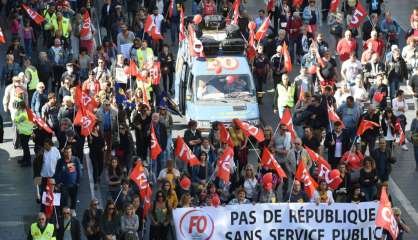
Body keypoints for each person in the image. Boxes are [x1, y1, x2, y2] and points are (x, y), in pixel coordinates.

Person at [54, 146, 82, 216]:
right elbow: (56, 173)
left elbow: (79, 171)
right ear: (64, 153)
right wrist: (57, 183)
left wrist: (78, 181)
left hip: (74, 184)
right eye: (66, 152)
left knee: (73, 198)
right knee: (64, 200)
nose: (68, 154)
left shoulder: (75, 160)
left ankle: (73, 210)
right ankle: (65, 212)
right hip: (64, 185)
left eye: (69, 152)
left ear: (71, 152)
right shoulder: (60, 161)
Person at [14, 100, 34, 167]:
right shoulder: (27, 111)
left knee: (25, 147)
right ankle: (24, 159)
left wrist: (16, 112)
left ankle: (28, 161)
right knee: (24, 146)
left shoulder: (23, 114)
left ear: (20, 106)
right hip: (26, 131)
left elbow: (16, 120)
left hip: (25, 132)